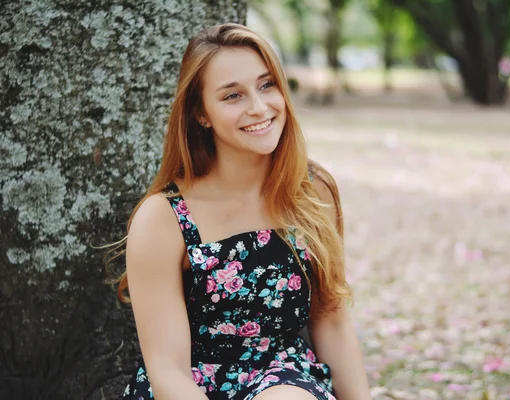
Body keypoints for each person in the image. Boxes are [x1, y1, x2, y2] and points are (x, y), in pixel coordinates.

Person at [117, 23, 371, 400]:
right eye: (232, 95)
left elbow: (330, 320)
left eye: (267, 85)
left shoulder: (312, 192)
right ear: (201, 114)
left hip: (284, 379)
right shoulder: (163, 218)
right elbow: (168, 371)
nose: (259, 107)